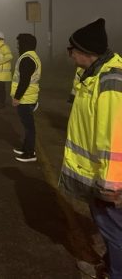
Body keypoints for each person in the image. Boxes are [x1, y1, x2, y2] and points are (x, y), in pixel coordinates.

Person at [58, 18, 122, 279]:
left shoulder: (110, 81)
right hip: (100, 174)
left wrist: (111, 184)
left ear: (85, 52)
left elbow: (114, 137)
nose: (70, 55)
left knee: (114, 232)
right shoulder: (93, 74)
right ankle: (109, 267)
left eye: (71, 50)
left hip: (110, 180)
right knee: (110, 230)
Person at [10, 33, 41, 162]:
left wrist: (17, 97)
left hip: (25, 99)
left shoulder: (27, 59)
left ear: (25, 44)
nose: (18, 46)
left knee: (29, 127)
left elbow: (24, 81)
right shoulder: (31, 56)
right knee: (27, 126)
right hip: (28, 97)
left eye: (19, 44)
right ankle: (25, 148)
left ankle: (30, 153)